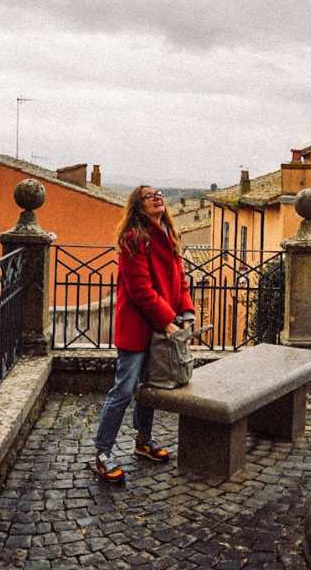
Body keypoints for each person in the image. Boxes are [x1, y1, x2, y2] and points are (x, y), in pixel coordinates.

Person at [92, 185, 195, 482]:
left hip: (163, 325)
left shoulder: (169, 235)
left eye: (159, 194)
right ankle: (102, 452)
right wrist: (166, 320)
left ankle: (143, 441)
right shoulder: (133, 239)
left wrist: (186, 311)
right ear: (138, 206)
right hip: (139, 327)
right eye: (149, 196)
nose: (157, 197)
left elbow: (180, 280)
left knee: (149, 390)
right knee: (123, 390)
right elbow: (140, 290)